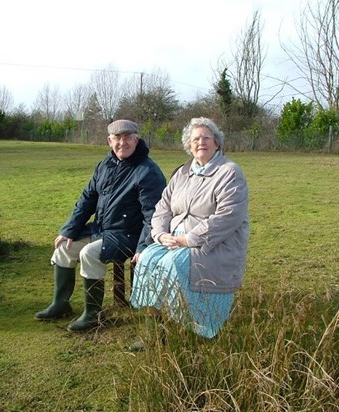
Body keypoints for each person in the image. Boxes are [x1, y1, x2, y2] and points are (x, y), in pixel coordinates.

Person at [35, 119, 166, 332]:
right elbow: (87, 198)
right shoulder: (105, 165)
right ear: (109, 141)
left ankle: (93, 314)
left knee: (88, 253)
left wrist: (144, 247)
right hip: (101, 230)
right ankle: (61, 304)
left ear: (136, 139)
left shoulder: (147, 171)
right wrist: (69, 230)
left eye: (127, 137)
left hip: (129, 235)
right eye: (117, 138)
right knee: (63, 248)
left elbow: (153, 216)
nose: (122, 142)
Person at [130, 117, 249, 340]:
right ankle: (154, 330)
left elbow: (228, 217)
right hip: (172, 240)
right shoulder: (182, 173)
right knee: (146, 258)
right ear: (189, 145)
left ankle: (187, 327)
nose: (201, 142)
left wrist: (187, 239)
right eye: (195, 139)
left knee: (172, 264)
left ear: (217, 143)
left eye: (206, 137)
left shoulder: (230, 172)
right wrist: (159, 234)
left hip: (212, 244)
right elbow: (162, 208)